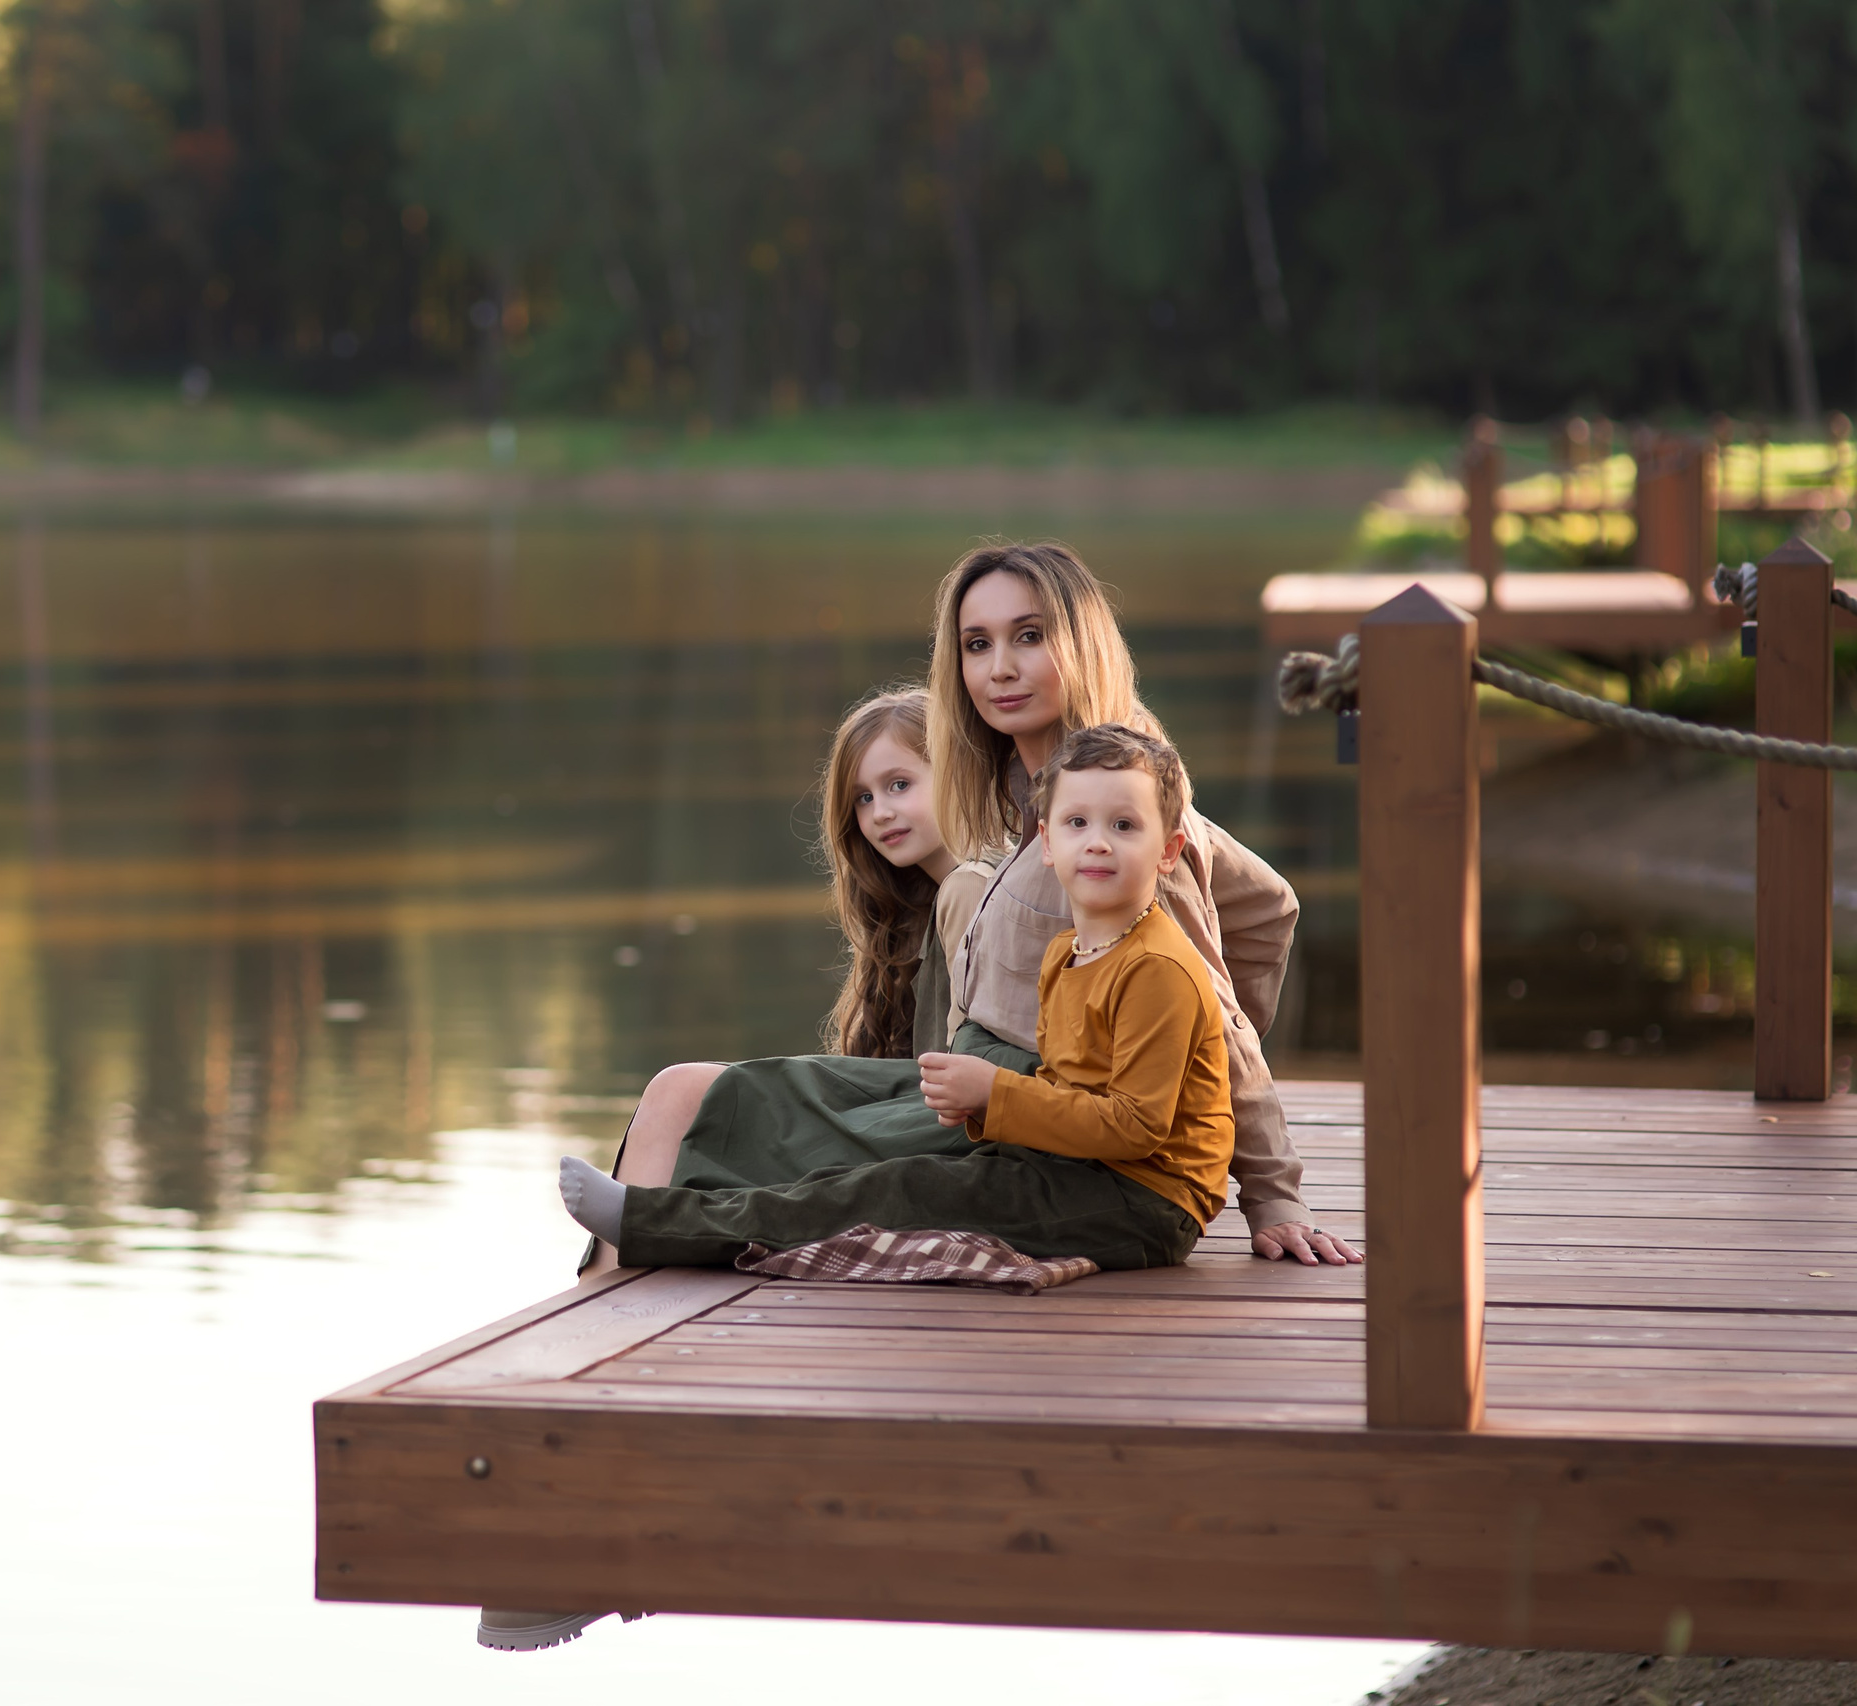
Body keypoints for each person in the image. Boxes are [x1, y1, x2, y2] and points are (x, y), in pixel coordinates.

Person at [474, 542, 1357, 1654]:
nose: (1000, 665)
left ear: (1080, 642)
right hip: (969, 1094)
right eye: (977, 643)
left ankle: (581, 1488)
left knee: (749, 1150)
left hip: (1044, 1127)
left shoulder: (1105, 799)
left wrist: (1262, 1185)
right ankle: (578, 1432)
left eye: (1029, 635)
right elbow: (1268, 900)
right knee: (685, 1093)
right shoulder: (1001, 793)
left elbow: (1226, 993)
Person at [559, 724, 1225, 1277]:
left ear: (1167, 851)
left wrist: (996, 1095)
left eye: (1124, 825)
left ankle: (652, 1224)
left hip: (1143, 1203)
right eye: (1078, 822)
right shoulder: (1066, 952)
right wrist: (987, 1113)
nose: (1099, 840)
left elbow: (1137, 1128)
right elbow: (1066, 1088)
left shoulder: (1158, 968)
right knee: (883, 1173)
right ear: (1047, 845)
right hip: (1078, 1168)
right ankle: (661, 1218)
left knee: (899, 1191)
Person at [815, 687, 996, 1062]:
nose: (879, 812)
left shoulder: (974, 887)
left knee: (689, 1087)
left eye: (899, 785)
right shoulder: (912, 906)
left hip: (956, 1109)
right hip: (915, 1101)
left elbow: (972, 1067)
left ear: (954, 771)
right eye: (863, 798)